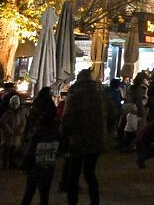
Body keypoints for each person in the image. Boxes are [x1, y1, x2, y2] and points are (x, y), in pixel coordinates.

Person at [61, 69, 107, 205]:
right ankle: (95, 201)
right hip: (96, 140)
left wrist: (64, 135)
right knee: (90, 173)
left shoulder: (75, 92)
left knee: (73, 175)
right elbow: (112, 113)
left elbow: (67, 116)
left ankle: (73, 202)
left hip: (77, 139)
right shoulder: (100, 93)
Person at [20, 87, 60, 205]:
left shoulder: (38, 131)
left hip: (36, 164)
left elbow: (31, 148)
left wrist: (25, 163)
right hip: (48, 163)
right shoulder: (54, 130)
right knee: (45, 191)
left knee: (30, 188)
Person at [0, 94, 27, 168]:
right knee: (6, 149)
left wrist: (20, 130)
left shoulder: (20, 113)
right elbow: (3, 123)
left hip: (16, 134)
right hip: (8, 135)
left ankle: (12, 162)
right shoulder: (7, 113)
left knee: (13, 150)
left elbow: (23, 122)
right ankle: (4, 163)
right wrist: (10, 131)